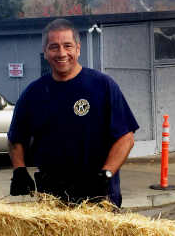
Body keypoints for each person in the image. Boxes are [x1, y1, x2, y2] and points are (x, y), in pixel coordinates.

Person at [7, 17, 139, 209]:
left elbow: (126, 138)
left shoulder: (102, 86)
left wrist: (106, 174)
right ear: (44, 51)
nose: (62, 53)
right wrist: (19, 169)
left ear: (78, 48)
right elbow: (15, 138)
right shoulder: (33, 93)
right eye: (54, 47)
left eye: (67, 46)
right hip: (52, 197)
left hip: (97, 195)